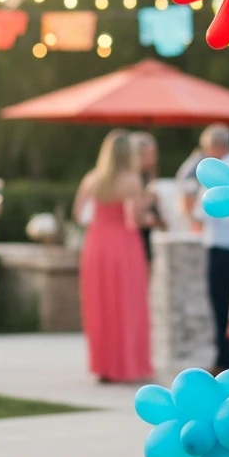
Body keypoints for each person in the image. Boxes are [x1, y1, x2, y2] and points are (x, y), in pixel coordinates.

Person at [74, 130, 152, 383]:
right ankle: (127, 365)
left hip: (96, 244)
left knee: (100, 304)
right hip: (124, 244)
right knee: (127, 304)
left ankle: (103, 366)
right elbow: (136, 219)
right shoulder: (132, 181)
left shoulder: (92, 179)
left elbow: (78, 214)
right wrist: (150, 212)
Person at [187, 125, 229, 373]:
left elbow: (200, 211)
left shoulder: (216, 172)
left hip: (220, 246)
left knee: (219, 305)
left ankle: (224, 358)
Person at [129, 131, 166, 263]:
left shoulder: (146, 176)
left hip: (145, 235)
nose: (155, 157)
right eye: (151, 153)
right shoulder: (133, 179)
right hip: (135, 236)